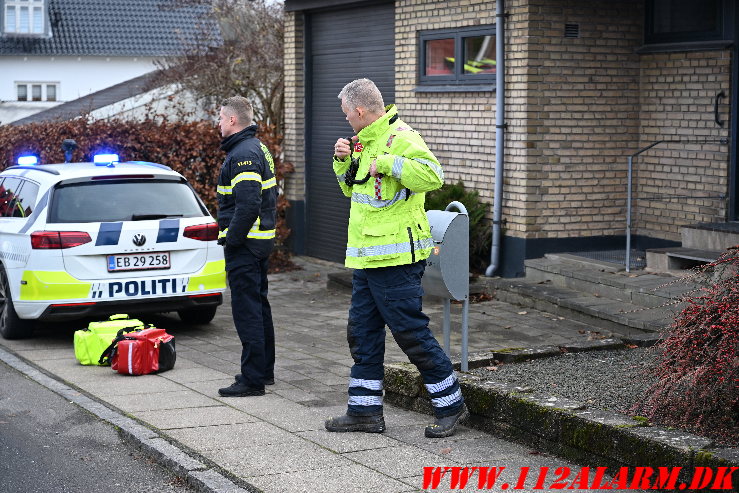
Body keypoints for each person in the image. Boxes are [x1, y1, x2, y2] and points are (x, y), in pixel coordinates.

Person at [325, 79, 467, 438]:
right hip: (368, 260)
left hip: (397, 259)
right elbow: (354, 190)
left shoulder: (400, 137)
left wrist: (389, 163)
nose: (346, 122)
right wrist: (343, 162)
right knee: (361, 333)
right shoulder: (362, 142)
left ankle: (451, 404)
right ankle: (364, 413)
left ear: (359, 111)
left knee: (410, 333)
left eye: (346, 115)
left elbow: (434, 176)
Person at [215, 96, 277, 397]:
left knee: (247, 311)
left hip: (247, 245)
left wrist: (232, 239)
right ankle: (263, 372)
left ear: (231, 120)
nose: (217, 123)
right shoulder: (255, 147)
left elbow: (249, 203)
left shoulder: (242, 153)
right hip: (259, 242)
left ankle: (252, 379)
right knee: (259, 307)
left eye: (219, 118)